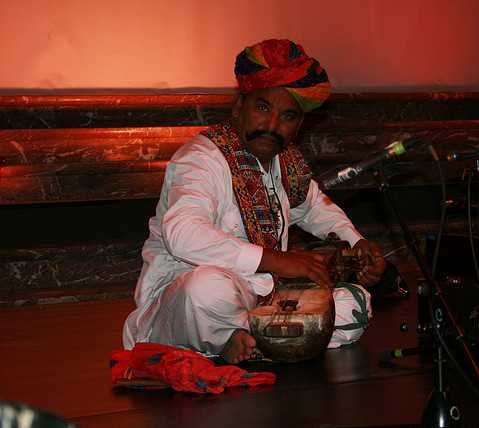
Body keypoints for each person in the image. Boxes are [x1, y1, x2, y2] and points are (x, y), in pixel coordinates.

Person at [122, 39, 386, 363]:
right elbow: (183, 234)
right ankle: (251, 339)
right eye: (263, 108)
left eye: (287, 116)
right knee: (207, 290)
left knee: (354, 304)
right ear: (239, 108)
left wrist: (357, 244)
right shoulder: (200, 159)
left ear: (298, 126)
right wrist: (276, 260)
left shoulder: (285, 161)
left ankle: (252, 343)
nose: (272, 126)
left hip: (264, 300)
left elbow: (316, 208)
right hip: (186, 303)